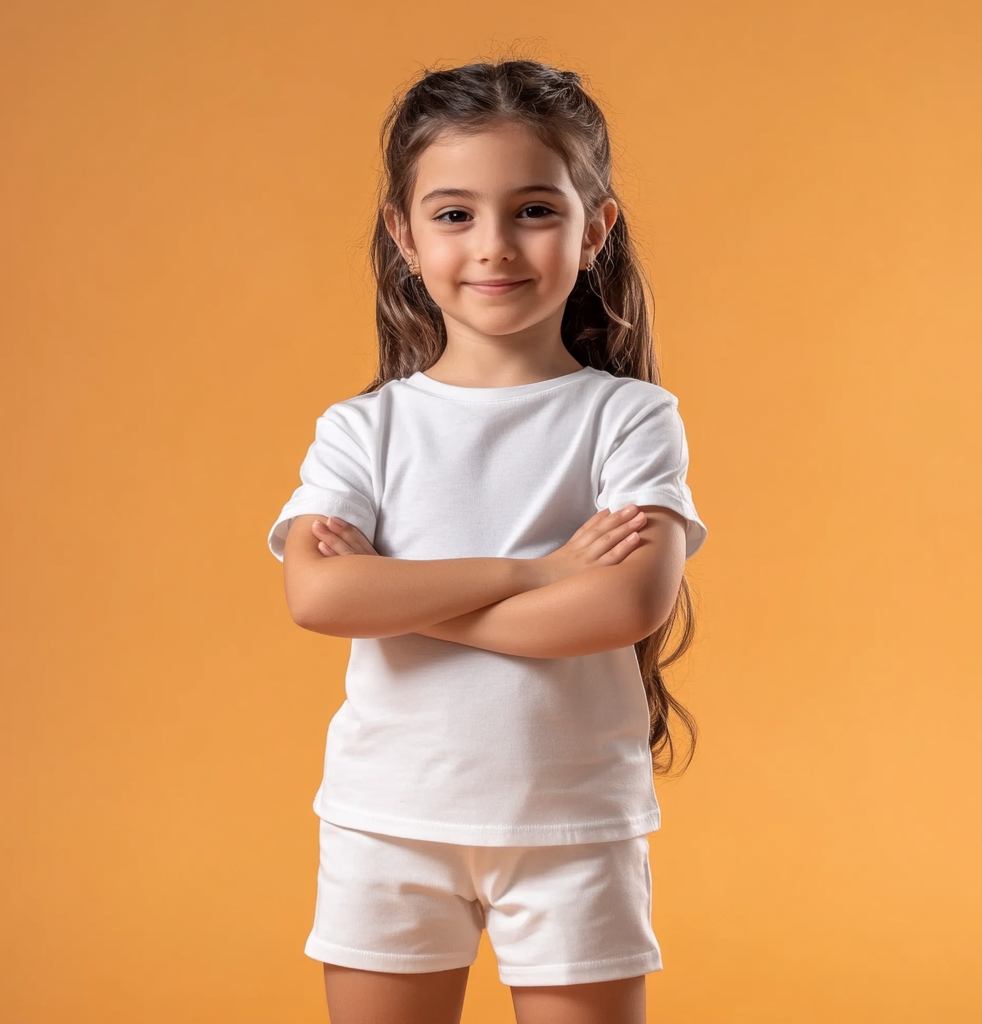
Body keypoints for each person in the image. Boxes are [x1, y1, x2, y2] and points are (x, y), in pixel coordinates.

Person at [267, 59, 708, 1024]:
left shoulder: (629, 420)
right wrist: (537, 571)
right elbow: (319, 599)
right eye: (455, 214)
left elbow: (624, 606)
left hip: (572, 827)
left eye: (536, 211)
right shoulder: (363, 430)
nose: (495, 246)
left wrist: (405, 603)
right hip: (387, 821)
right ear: (403, 232)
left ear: (595, 228)